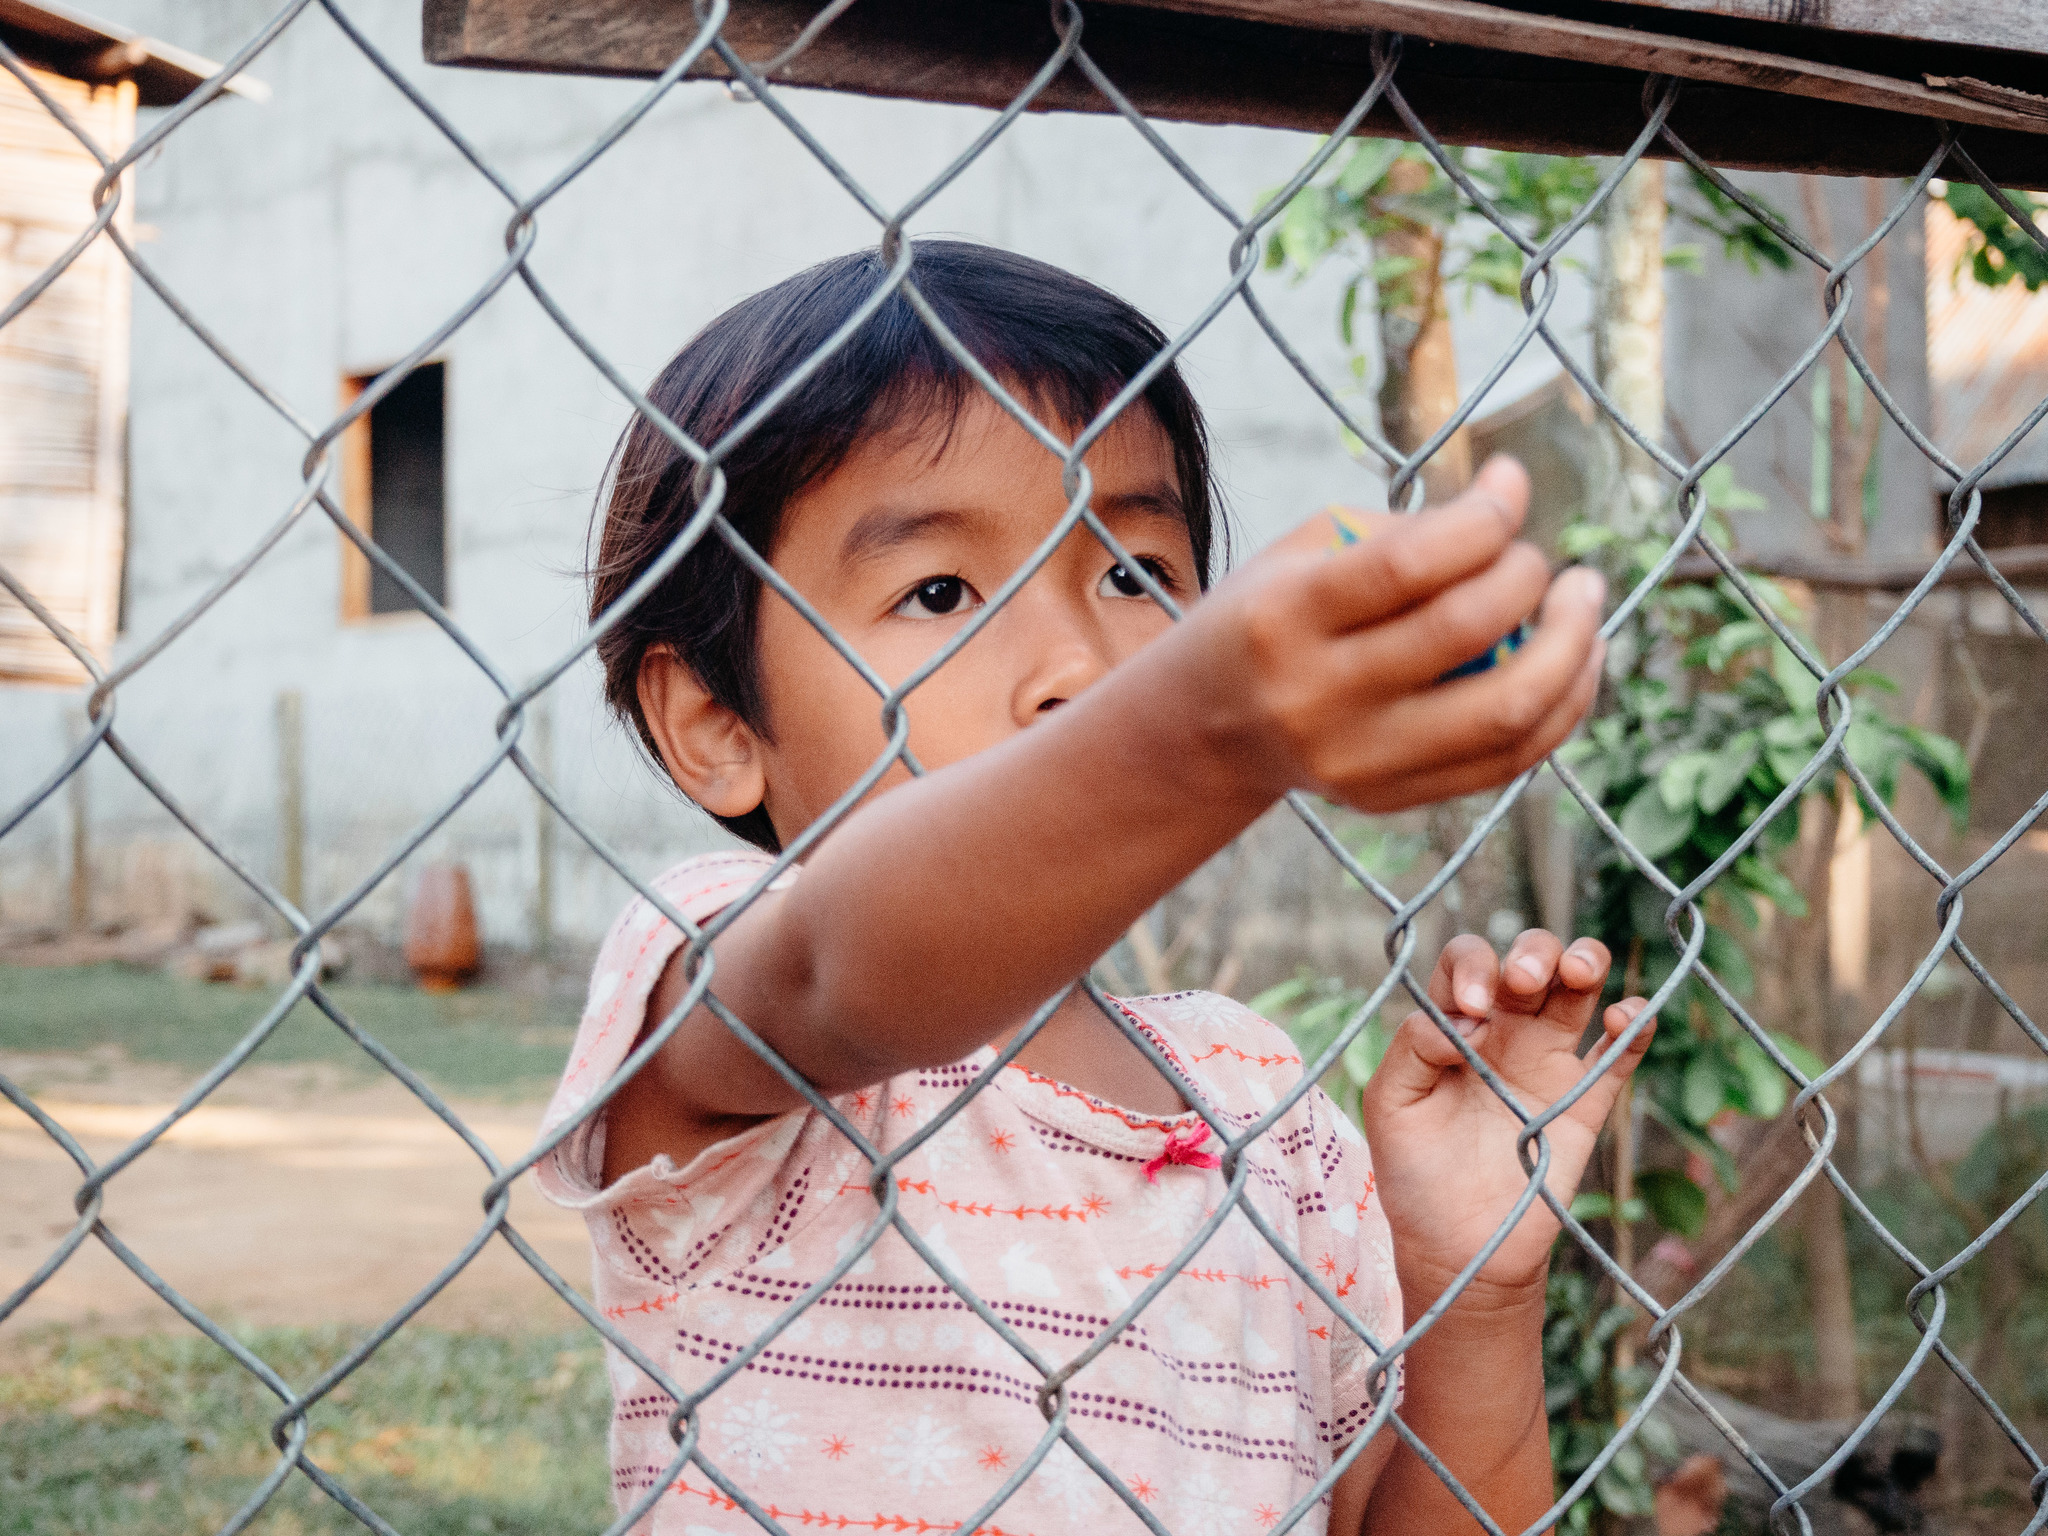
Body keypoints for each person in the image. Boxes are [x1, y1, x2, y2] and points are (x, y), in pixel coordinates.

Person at [538, 240, 1655, 1535]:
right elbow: (844, 970)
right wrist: (1203, 734)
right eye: (942, 590)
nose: (1078, 665)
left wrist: (1475, 1292)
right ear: (718, 721)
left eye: (1135, 573)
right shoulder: (733, 991)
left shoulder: (1256, 1106)